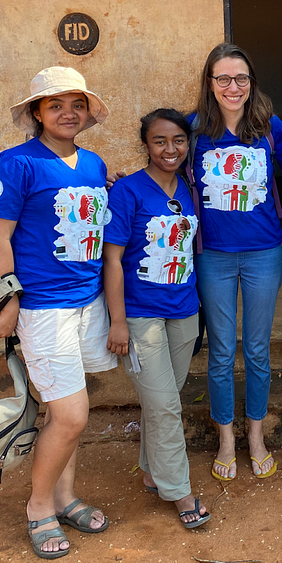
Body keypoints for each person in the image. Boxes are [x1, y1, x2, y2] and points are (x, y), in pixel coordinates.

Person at [0, 66, 115, 560]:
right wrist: (8, 302)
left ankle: (65, 496)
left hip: (88, 302)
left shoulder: (94, 164)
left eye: (76, 104)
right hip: (42, 307)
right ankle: (39, 507)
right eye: (55, 105)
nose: (68, 113)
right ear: (36, 112)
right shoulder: (16, 164)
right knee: (72, 416)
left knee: (65, 414)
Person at [102, 109, 210, 529]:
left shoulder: (187, 189)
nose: (171, 149)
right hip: (141, 314)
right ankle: (180, 492)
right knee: (165, 405)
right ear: (145, 144)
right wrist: (118, 321)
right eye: (160, 141)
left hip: (184, 311)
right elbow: (112, 260)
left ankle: (151, 470)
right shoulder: (127, 192)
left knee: (162, 399)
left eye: (179, 140)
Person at [190, 43, 282, 482]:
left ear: (252, 83)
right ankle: (226, 438)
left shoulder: (269, 127)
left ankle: (256, 435)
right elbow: (164, 170)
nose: (233, 87)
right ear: (210, 84)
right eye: (223, 78)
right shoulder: (193, 131)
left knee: (259, 350)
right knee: (222, 352)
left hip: (263, 252)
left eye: (241, 78)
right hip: (213, 255)